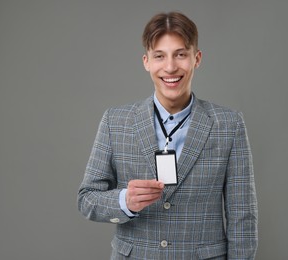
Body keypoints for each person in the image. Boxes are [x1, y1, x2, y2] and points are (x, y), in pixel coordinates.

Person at [78, 11, 258, 259]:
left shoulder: (229, 124)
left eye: (181, 54)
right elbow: (87, 199)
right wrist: (124, 201)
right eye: (159, 56)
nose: (171, 67)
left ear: (197, 58)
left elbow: (243, 217)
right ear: (146, 62)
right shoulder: (115, 121)